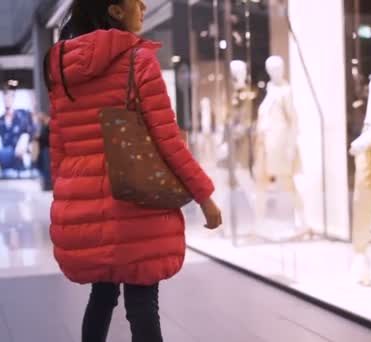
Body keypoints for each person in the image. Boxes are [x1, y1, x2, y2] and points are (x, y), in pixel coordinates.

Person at [44, 1, 222, 341]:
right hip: (135, 199)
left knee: (102, 294)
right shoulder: (138, 60)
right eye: (135, 1)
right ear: (114, 10)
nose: (143, 5)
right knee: (141, 302)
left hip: (83, 199)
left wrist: (67, 201)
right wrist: (205, 197)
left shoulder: (60, 67)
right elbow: (167, 139)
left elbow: (60, 144)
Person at [0, 84, 35, 177]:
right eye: (5, 96)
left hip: (22, 163)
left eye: (10, 96)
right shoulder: (1, 120)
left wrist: (26, 138)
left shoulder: (22, 116)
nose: (8, 99)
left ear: (14, 97)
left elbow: (33, 130)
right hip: (5, 165)